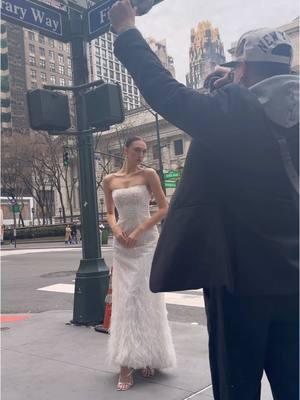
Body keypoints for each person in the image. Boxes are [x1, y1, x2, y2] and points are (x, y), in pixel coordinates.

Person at [109, 2, 299, 399]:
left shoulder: (232, 111)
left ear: (244, 68)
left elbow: (165, 91)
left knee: (236, 385)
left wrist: (126, 31)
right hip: (293, 278)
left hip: (239, 279)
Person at [103, 136, 176, 391]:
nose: (142, 155)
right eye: (137, 150)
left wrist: (139, 231)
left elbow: (164, 208)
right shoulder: (109, 180)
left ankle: (148, 356)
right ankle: (126, 363)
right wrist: (115, 229)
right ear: (125, 150)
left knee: (145, 298)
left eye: (144, 151)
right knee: (126, 300)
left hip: (145, 243)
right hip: (122, 245)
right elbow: (110, 212)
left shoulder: (149, 175)